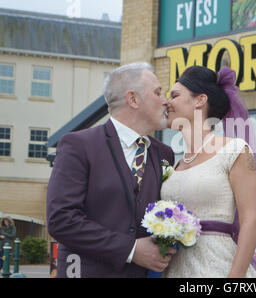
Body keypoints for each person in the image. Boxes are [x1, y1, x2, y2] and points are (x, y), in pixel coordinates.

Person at [161, 66, 256, 278]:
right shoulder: (174, 164)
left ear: (200, 100)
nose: (167, 102)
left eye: (175, 95)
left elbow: (250, 219)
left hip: (220, 269)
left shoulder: (234, 151)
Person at [47, 62, 177, 278]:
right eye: (158, 92)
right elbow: (62, 219)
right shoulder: (79, 145)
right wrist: (131, 250)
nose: (165, 101)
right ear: (133, 99)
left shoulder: (164, 154)